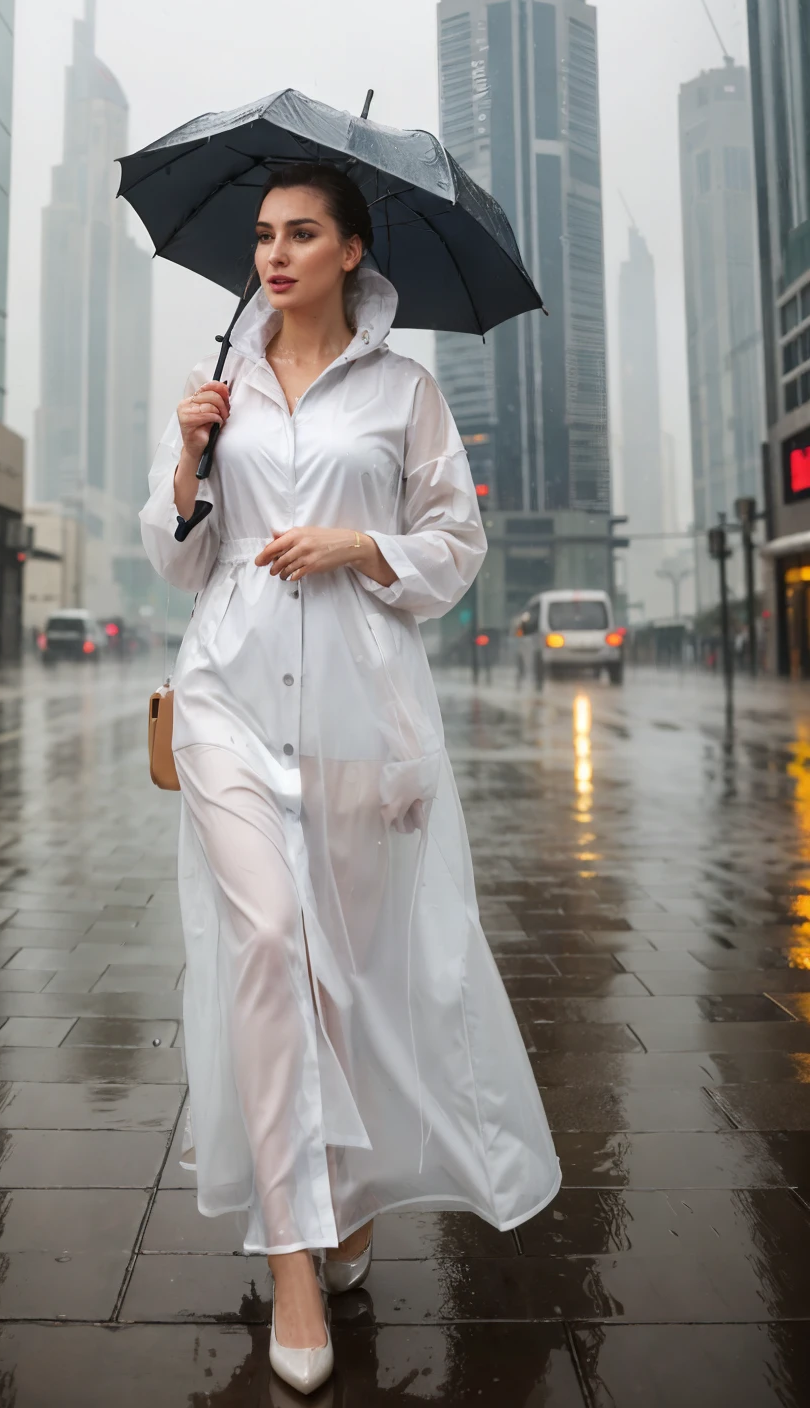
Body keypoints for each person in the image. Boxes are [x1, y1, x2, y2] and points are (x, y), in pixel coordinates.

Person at [139, 163, 560, 1395]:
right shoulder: (219, 388)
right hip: (224, 698)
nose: (273, 252)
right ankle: (292, 1262)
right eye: (263, 234)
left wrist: (358, 543)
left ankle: (347, 1182)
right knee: (267, 942)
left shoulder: (403, 392)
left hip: (357, 722)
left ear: (351, 250)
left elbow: (455, 547)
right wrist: (186, 462)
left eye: (300, 233)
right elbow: (179, 563)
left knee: (348, 976)